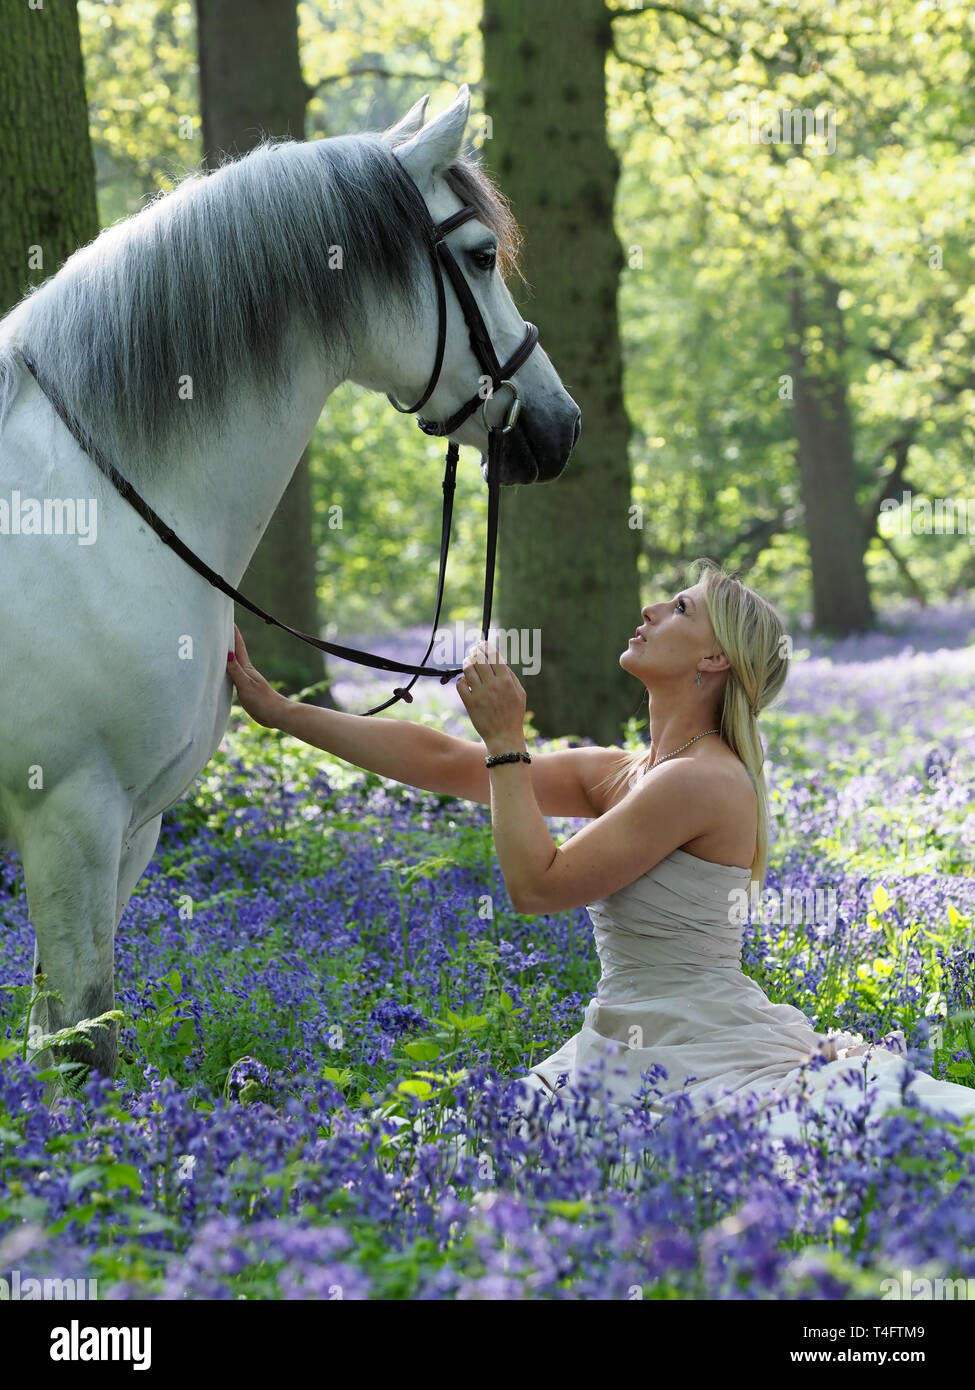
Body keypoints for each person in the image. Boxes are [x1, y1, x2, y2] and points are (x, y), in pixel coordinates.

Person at [226, 557, 975, 1143]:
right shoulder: (626, 772)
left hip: (696, 1044)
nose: (649, 609)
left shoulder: (702, 782)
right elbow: (446, 763)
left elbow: (537, 886)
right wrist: (279, 710)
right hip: (624, 1035)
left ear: (712, 660)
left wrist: (508, 743)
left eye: (679, 608)